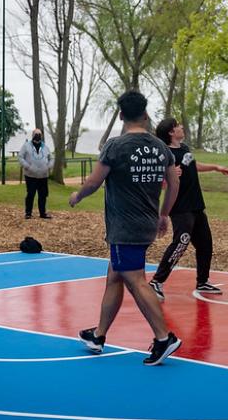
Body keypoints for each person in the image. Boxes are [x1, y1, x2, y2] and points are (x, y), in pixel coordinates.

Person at [69, 90, 182, 366]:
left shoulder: (115, 146)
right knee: (115, 276)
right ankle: (99, 334)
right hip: (145, 224)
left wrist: (78, 196)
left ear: (121, 115)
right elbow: (174, 183)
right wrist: (164, 214)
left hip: (124, 227)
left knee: (135, 280)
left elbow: (95, 182)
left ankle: (163, 337)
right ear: (145, 115)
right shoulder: (160, 148)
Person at [148, 118, 228, 301]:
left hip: (196, 205)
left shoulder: (184, 148)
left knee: (205, 244)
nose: (181, 127)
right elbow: (158, 182)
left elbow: (194, 165)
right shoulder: (165, 154)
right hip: (180, 208)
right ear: (171, 132)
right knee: (181, 242)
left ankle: (202, 281)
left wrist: (215, 167)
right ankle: (156, 282)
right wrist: (168, 178)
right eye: (178, 126)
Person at [18, 128, 54, 219]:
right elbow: (20, 157)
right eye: (36, 134)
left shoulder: (45, 147)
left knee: (43, 195)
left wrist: (48, 167)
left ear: (41, 136)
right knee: (30, 194)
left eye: (39, 134)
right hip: (30, 175)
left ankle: (43, 213)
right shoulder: (26, 146)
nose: (38, 136)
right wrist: (27, 166)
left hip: (43, 176)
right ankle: (28, 213)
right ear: (33, 135)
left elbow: (52, 158)